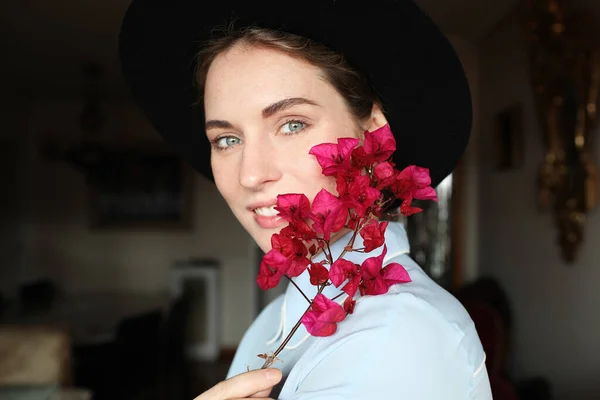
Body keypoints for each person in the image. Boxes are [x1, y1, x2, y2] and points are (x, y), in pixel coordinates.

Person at [119, 1, 493, 398]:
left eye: (292, 124)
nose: (249, 175)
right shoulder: (276, 320)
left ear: (373, 134)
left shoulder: (395, 337)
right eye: (227, 139)